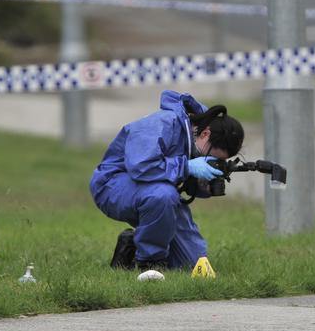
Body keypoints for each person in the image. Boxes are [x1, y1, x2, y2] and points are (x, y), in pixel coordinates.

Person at [89, 90, 244, 271]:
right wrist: (187, 167)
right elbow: (141, 167)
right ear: (205, 134)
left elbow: (179, 176)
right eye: (210, 157)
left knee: (192, 265)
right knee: (163, 195)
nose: (206, 160)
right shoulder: (163, 123)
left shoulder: (194, 138)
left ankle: (130, 247)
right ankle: (149, 263)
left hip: (154, 189)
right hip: (113, 184)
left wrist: (205, 185)